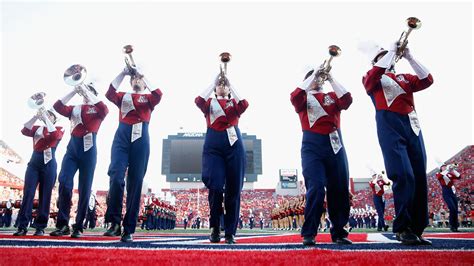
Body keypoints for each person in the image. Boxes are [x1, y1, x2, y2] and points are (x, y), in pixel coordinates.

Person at [362, 41, 434, 245]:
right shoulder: (371, 76)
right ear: (375, 60)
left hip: (412, 126)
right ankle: (402, 228)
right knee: (403, 174)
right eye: (383, 55)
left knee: (419, 177)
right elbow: (373, 78)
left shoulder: (403, 78)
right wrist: (391, 51)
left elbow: (427, 79)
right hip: (390, 126)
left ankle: (417, 228)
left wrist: (410, 57)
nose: (389, 57)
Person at [290, 66, 353, 246]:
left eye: (319, 77)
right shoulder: (303, 98)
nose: (317, 79)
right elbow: (294, 96)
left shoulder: (332, 96)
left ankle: (340, 231)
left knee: (339, 188)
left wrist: (331, 78)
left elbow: (347, 100)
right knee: (316, 188)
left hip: (335, 144)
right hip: (312, 145)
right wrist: (312, 75)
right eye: (312, 78)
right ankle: (309, 232)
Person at [103, 67, 163, 242]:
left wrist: (144, 76)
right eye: (134, 79)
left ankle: (128, 228)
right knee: (115, 176)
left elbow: (159, 94)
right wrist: (123, 72)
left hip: (141, 136)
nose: (137, 80)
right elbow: (109, 92)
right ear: (130, 82)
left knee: (135, 183)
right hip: (122, 136)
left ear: (144, 83)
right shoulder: (123, 96)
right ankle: (114, 222)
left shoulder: (149, 98)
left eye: (139, 80)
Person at [195, 72, 248, 244]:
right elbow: (198, 100)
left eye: (225, 85)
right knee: (216, 187)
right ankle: (215, 227)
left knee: (233, 189)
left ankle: (230, 232)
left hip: (234, 144)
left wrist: (230, 85)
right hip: (213, 144)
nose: (222, 86)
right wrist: (214, 82)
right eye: (220, 84)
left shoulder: (234, 103)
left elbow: (244, 104)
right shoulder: (209, 102)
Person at [50, 84, 108, 238]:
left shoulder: (97, 109)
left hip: (89, 151)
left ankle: (78, 225)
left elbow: (105, 109)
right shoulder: (75, 108)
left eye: (89, 90)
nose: (85, 93)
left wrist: (90, 94)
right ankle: (63, 224)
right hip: (73, 149)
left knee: (84, 188)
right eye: (85, 91)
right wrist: (74, 90)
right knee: (64, 180)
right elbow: (57, 106)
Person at [14, 106, 64, 236]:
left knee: (45, 195)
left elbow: (55, 136)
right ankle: (22, 225)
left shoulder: (59, 128)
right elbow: (24, 130)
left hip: (49, 163)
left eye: (50, 115)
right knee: (28, 193)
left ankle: (40, 226)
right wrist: (36, 116)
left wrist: (46, 118)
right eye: (46, 114)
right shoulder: (37, 128)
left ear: (54, 119)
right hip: (35, 162)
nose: (47, 116)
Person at [436, 163, 462, 232]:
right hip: (446, 192)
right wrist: (447, 169)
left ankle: (455, 226)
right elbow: (439, 177)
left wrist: (453, 169)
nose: (444, 167)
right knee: (452, 208)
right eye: (443, 166)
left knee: (455, 209)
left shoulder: (449, 174)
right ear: (440, 168)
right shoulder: (439, 173)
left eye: (445, 166)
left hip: (452, 192)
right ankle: (452, 225)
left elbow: (459, 176)